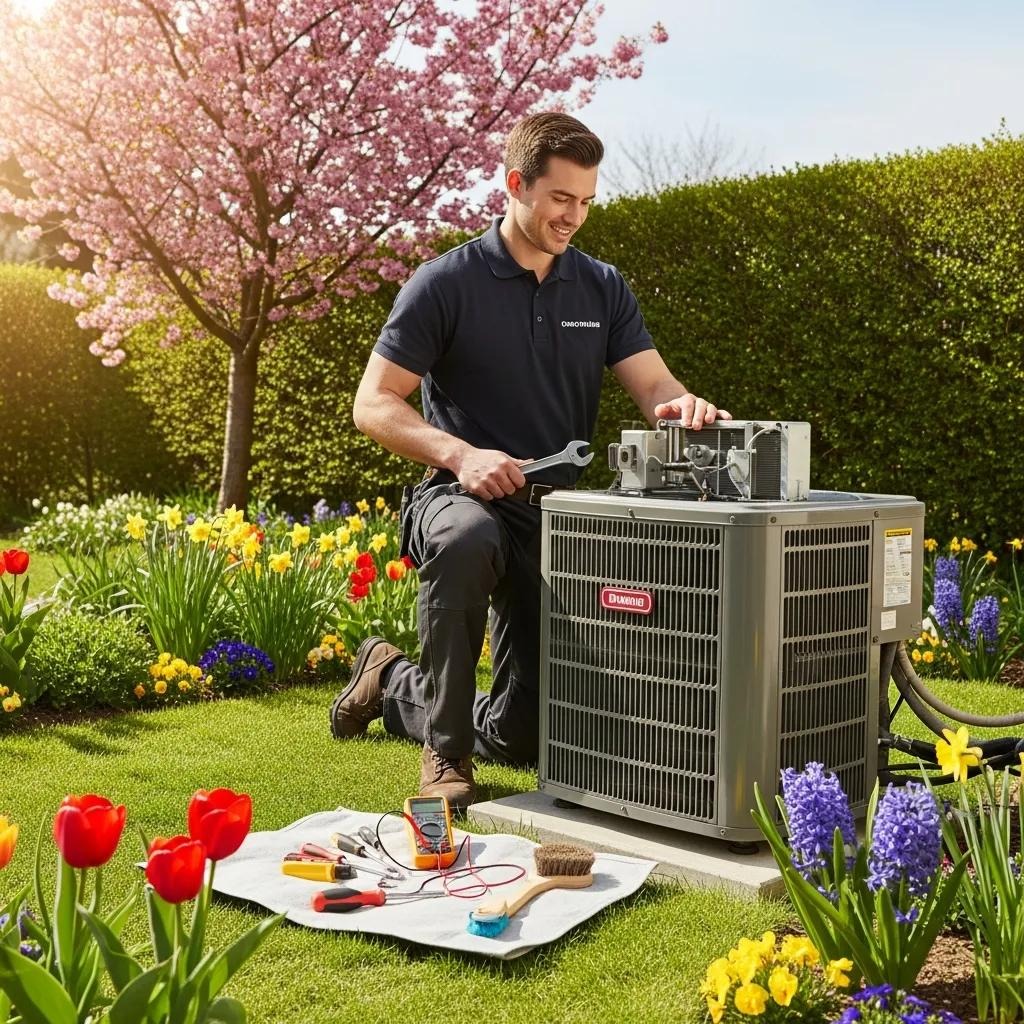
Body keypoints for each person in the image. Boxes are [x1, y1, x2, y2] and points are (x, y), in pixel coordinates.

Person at [333, 112, 731, 810]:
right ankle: (445, 755)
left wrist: (685, 408)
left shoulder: (601, 287)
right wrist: (460, 454)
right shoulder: (444, 283)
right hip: (458, 497)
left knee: (521, 735)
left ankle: (389, 679)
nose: (574, 216)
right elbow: (374, 402)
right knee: (465, 539)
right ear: (516, 184)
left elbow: (655, 387)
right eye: (560, 199)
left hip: (554, 516)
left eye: (586, 202)